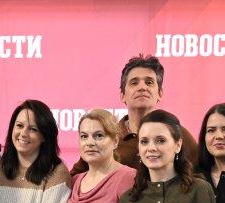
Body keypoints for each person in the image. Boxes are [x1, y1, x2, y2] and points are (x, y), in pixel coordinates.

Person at [70, 54, 198, 176]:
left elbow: (201, 176)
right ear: (122, 95)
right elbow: (74, 179)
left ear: (160, 93)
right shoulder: (107, 137)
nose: (142, 87)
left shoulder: (178, 134)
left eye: (149, 82)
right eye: (134, 83)